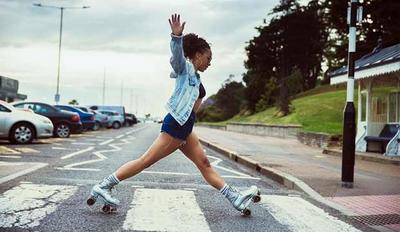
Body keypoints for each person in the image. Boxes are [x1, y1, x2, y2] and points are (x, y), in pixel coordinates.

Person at [87, 14, 260, 215]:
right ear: (197, 54)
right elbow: (177, 59)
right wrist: (176, 38)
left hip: (186, 128)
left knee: (204, 164)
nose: (210, 63)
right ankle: (104, 185)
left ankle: (235, 198)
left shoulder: (196, 76)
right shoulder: (185, 69)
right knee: (145, 161)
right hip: (176, 126)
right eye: (208, 58)